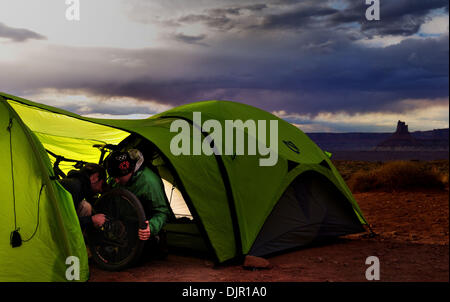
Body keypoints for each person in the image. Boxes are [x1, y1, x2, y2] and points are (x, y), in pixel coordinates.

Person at [105, 149, 170, 246]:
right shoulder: (117, 177)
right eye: (114, 177)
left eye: (118, 177)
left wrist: (150, 228)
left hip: (142, 228)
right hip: (123, 225)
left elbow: (162, 211)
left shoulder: (149, 182)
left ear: (129, 171)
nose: (116, 181)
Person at [59, 163, 107, 230]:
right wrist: (91, 220)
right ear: (94, 178)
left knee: (85, 206)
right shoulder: (74, 188)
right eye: (102, 184)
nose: (100, 189)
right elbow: (63, 222)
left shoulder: (78, 186)